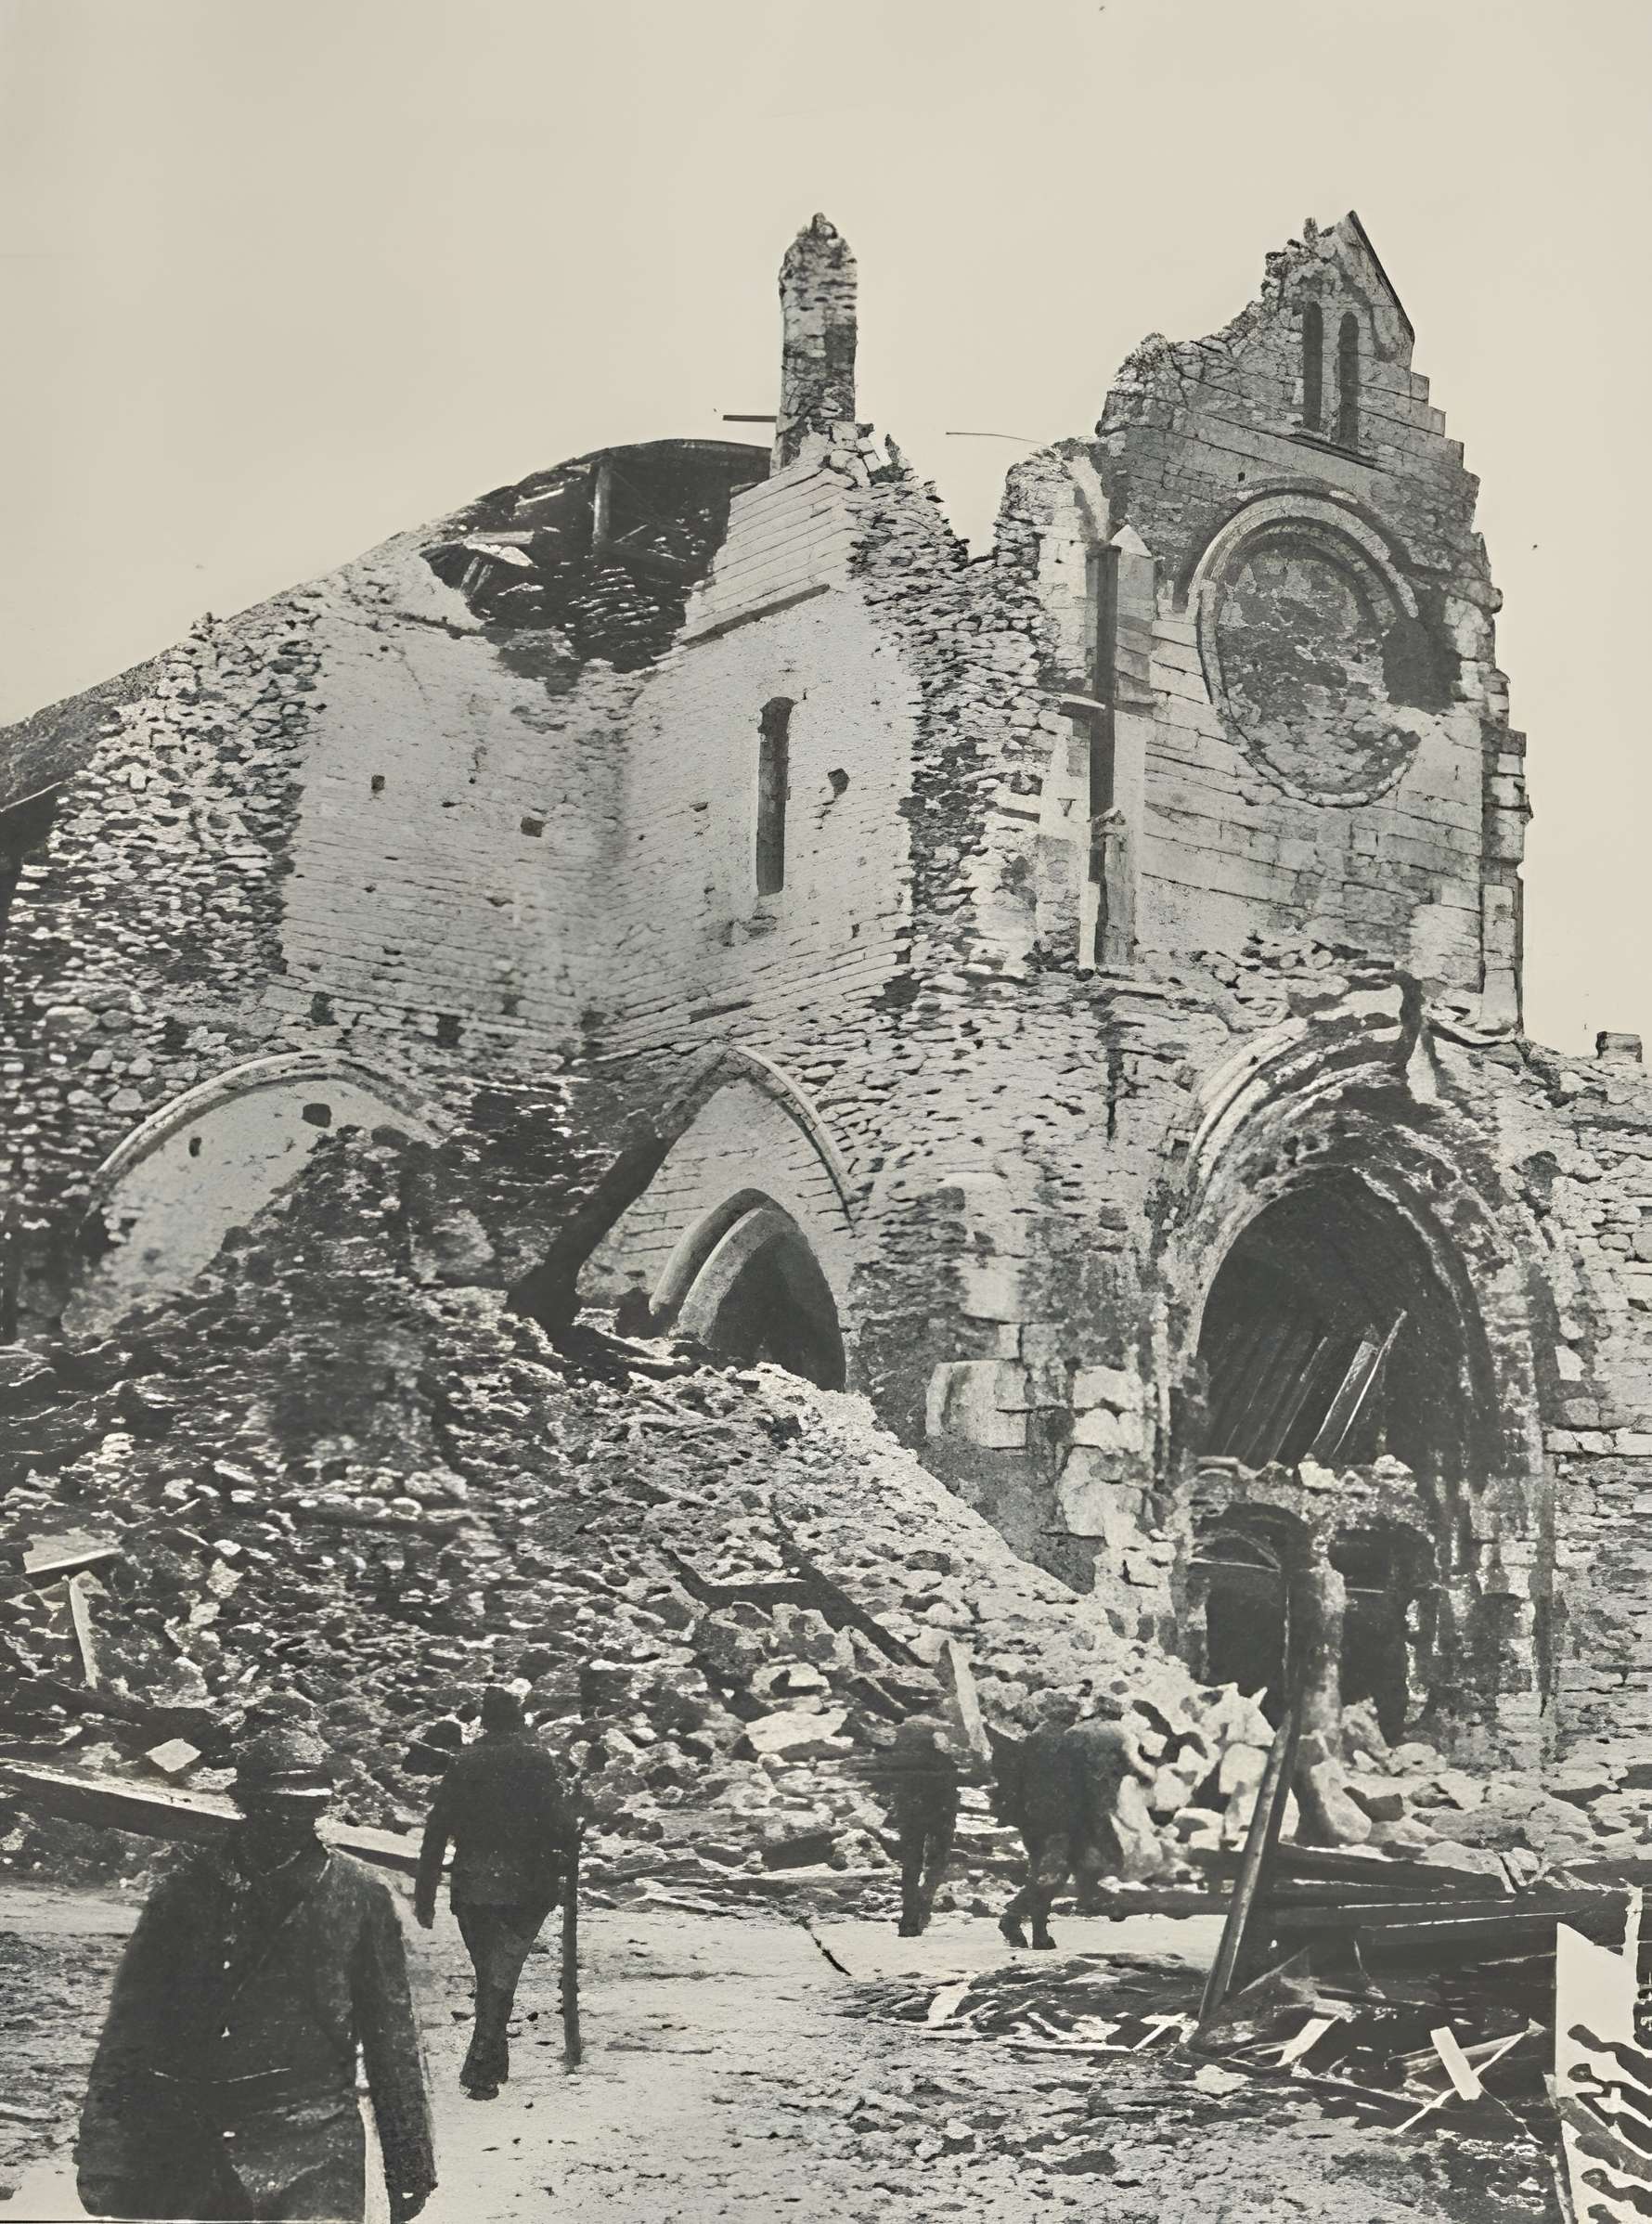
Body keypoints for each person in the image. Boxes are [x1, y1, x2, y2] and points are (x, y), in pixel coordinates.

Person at [76, 1726, 436, 2223]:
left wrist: (409, 2162)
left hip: (316, 2134)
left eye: (308, 1804)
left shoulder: (358, 1892)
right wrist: (104, 2152)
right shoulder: (186, 1890)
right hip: (201, 2136)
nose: (292, 1818)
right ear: (243, 1801)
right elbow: (131, 2026)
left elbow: (391, 2034)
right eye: (276, 1804)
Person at [415, 1685, 574, 2100]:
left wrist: (425, 1893)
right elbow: (559, 1824)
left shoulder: (464, 1763)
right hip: (527, 1885)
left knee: (491, 1971)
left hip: (474, 1884)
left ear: (484, 1723)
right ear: (518, 1720)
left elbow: (437, 1828)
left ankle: (487, 2062)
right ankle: (484, 2062)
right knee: (502, 1973)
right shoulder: (537, 1760)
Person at [881, 1713, 961, 1938]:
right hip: (939, 1818)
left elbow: (891, 1788)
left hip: (910, 1818)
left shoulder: (899, 1761)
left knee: (910, 1866)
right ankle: (925, 1900)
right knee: (938, 1862)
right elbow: (952, 1790)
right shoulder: (941, 1760)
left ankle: (908, 1919)